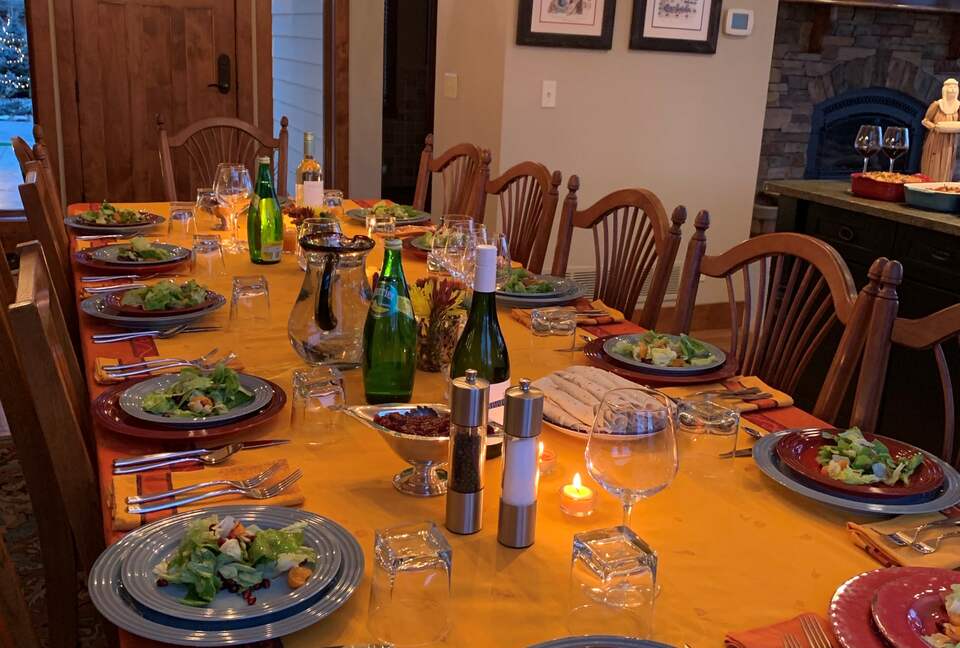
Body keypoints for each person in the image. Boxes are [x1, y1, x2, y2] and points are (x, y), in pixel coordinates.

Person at [921, 78, 960, 181]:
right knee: (934, 164)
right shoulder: (937, 105)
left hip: (950, 143)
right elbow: (925, 121)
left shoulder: (958, 107)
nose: (952, 90)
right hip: (936, 140)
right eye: (950, 88)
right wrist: (935, 127)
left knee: (946, 165)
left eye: (954, 88)